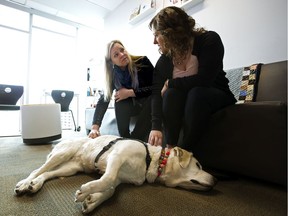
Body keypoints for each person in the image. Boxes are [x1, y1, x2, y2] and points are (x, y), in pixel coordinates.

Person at [148, 6, 237, 151]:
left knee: (196, 93)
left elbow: (204, 80)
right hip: (188, 101)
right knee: (171, 94)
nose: (154, 42)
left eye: (156, 35)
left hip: (215, 95)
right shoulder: (164, 60)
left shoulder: (209, 40)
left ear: (170, 33)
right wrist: (156, 127)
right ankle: (170, 148)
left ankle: (185, 152)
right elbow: (157, 93)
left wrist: (171, 82)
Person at [88, 40, 154, 141]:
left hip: (147, 104)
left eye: (122, 50)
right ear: (111, 62)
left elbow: (156, 88)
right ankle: (125, 137)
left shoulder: (142, 61)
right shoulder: (114, 75)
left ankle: (135, 138)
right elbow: (104, 99)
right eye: (116, 55)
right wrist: (95, 127)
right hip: (133, 107)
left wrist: (130, 93)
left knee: (151, 99)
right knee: (119, 98)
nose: (122, 55)